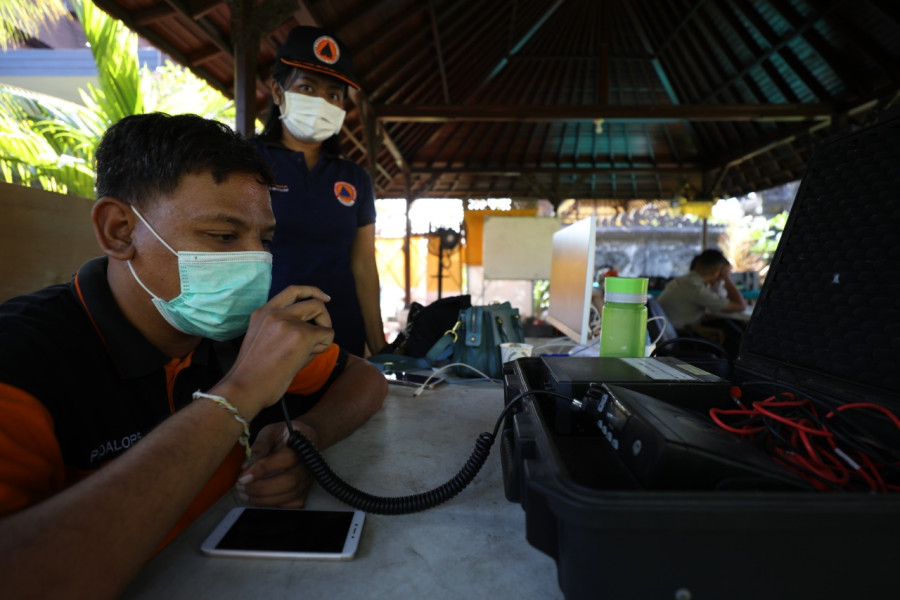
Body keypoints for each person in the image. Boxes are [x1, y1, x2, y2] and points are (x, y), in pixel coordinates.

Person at [0, 112, 388, 599]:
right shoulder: (21, 363)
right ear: (120, 230)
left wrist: (308, 435)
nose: (253, 263)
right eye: (223, 237)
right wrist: (240, 392)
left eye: (265, 241)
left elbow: (365, 379)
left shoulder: (230, 325)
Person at [253, 25, 386, 357]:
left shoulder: (355, 178)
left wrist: (380, 346)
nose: (321, 102)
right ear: (277, 90)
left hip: (342, 338)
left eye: (333, 94)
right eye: (307, 87)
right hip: (263, 337)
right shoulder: (245, 162)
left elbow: (364, 266)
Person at [657, 248, 748, 358]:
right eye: (725, 273)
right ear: (716, 272)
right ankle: (729, 369)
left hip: (675, 332)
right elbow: (740, 306)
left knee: (730, 326)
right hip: (682, 336)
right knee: (735, 336)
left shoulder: (686, 281)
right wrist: (727, 278)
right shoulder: (695, 288)